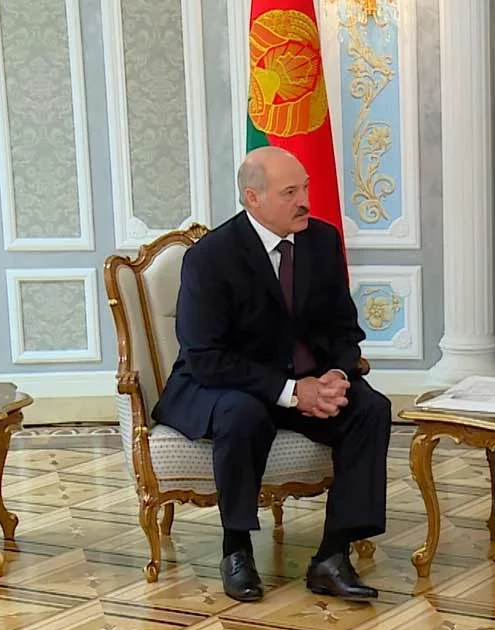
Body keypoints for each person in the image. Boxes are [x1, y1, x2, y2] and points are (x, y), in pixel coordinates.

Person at [153, 146, 391, 604]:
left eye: (306, 188)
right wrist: (291, 392)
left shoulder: (322, 242)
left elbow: (345, 329)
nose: (305, 201)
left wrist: (336, 376)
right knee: (243, 414)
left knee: (371, 409)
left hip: (305, 381)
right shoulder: (211, 257)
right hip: (227, 384)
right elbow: (205, 357)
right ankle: (236, 548)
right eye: (290, 192)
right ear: (253, 197)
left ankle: (333, 555)